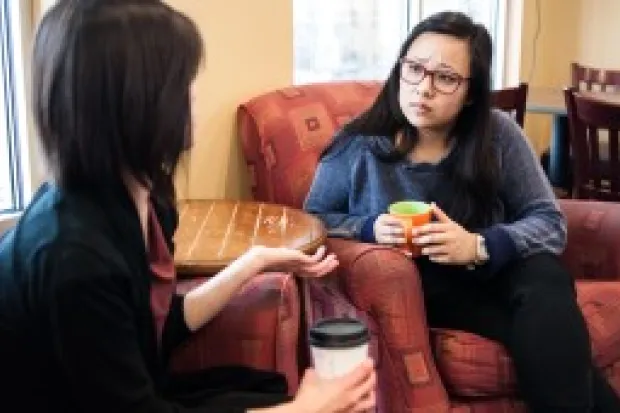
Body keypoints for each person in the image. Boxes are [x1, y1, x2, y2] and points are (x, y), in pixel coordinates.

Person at [0, 1, 376, 412]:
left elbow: (161, 325)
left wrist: (254, 262)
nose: (194, 94)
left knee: (262, 387)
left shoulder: (142, 199)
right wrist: (307, 409)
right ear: (132, 101)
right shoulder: (73, 255)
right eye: (182, 81)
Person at [304, 11, 620, 413]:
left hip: (494, 267)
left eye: (446, 77)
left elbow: (549, 223)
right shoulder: (359, 143)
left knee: (546, 279)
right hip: (424, 284)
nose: (424, 89)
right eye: (414, 69)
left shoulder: (499, 134)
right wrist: (367, 227)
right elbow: (314, 218)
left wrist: (478, 245)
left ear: (470, 92)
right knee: (545, 336)